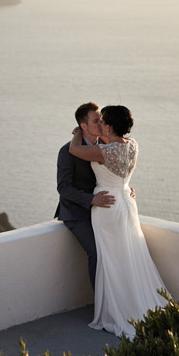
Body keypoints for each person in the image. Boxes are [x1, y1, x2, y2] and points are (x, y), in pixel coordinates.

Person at [68, 105, 168, 338]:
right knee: (128, 255)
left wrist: (77, 132)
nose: (100, 123)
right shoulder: (132, 146)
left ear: (110, 126)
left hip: (107, 208)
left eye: (102, 121)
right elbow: (119, 166)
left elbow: (74, 149)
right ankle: (134, 302)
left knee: (111, 260)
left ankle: (118, 310)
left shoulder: (103, 152)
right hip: (125, 200)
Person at [55, 102, 116, 290]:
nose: (101, 124)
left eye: (101, 120)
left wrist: (125, 188)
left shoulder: (107, 145)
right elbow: (63, 187)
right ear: (83, 126)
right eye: (96, 121)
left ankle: (115, 300)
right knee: (97, 253)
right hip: (76, 213)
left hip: (102, 208)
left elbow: (115, 172)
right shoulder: (67, 151)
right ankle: (100, 305)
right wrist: (91, 200)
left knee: (116, 250)